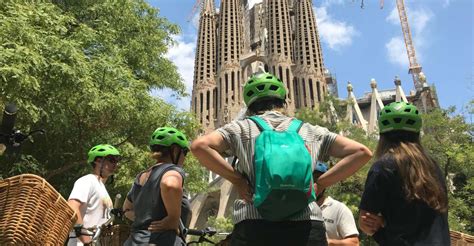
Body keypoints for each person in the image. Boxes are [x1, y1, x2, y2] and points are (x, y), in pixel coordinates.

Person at [191, 72, 372, 246]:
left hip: (255, 224)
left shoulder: (241, 128)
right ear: (283, 102)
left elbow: (200, 146)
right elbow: (362, 152)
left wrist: (237, 180)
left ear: (250, 105)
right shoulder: (309, 130)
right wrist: (322, 183)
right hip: (307, 226)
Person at [358, 102, 450, 245]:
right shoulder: (433, 167)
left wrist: (383, 225)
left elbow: (366, 222)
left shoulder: (382, 167)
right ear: (417, 134)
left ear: (382, 136)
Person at [123, 127, 191, 246]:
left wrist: (145, 220)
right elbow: (170, 184)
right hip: (162, 240)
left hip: (134, 241)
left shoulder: (141, 176)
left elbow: (126, 209)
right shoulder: (172, 170)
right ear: (175, 150)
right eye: (184, 152)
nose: (184, 157)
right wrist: (173, 219)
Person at [67, 144, 121, 246]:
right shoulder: (87, 181)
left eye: (116, 161)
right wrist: (85, 238)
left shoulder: (102, 188)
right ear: (98, 161)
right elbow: (71, 207)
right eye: (111, 160)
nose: (115, 164)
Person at [313, 162, 360, 246]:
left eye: (319, 179)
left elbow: (354, 243)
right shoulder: (297, 207)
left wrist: (328, 242)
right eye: (311, 178)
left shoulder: (339, 209)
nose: (315, 183)